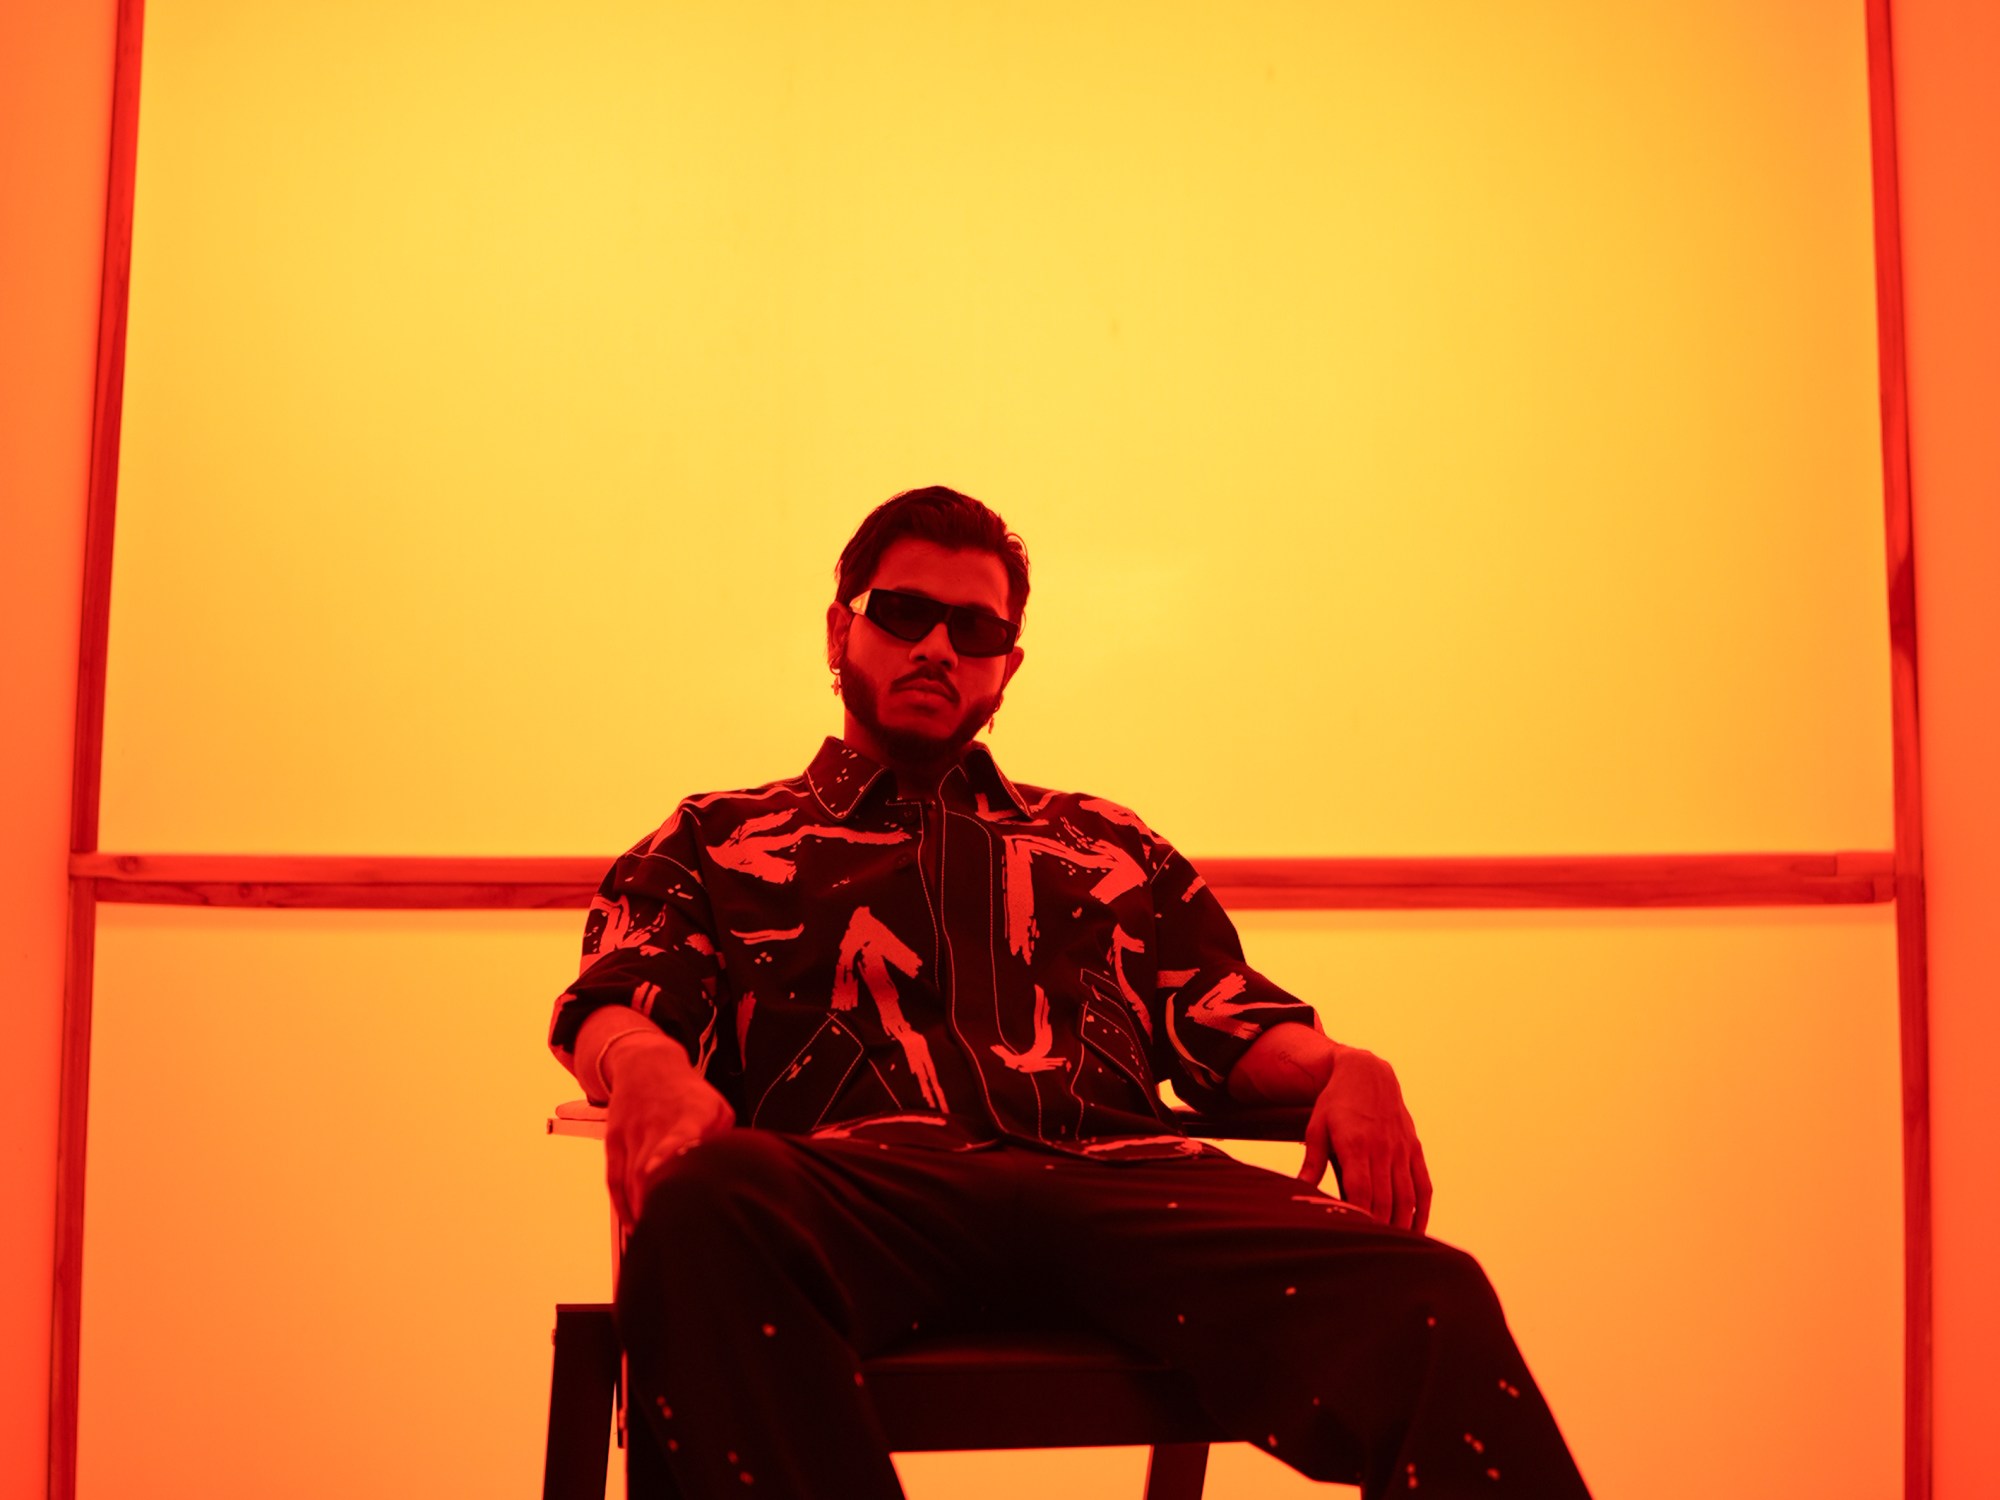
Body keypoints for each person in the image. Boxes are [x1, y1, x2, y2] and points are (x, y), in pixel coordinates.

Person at [546, 486, 1592, 1499]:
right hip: (870, 1186)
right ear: (838, 631)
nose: (936, 647)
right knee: (707, 1208)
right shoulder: (722, 835)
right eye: (902, 613)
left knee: (1431, 1295)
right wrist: (642, 1066)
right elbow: (617, 993)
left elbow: (1223, 1013)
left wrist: (1346, 1066)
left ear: (1006, 668)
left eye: (974, 630)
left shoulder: (1103, 840)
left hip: (1120, 1181)